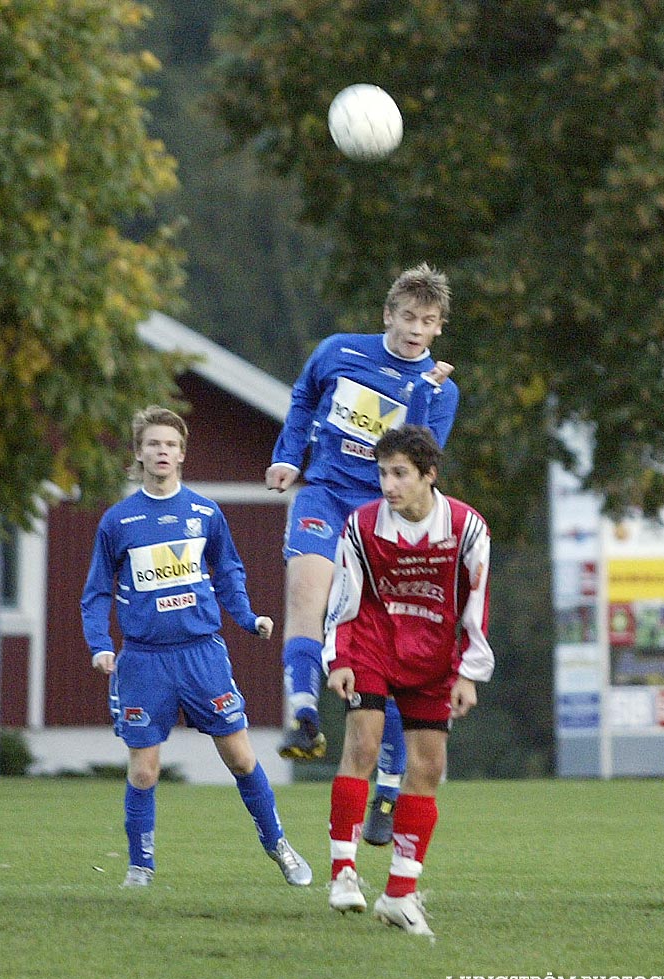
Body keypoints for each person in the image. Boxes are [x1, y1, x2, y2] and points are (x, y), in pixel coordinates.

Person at [266, 263, 459, 846]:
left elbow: (421, 464)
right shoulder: (338, 352)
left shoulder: (441, 391)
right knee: (306, 596)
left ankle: (392, 785)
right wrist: (287, 455)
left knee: (389, 653)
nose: (415, 330)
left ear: (438, 328)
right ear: (387, 316)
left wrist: (422, 398)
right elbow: (302, 402)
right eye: (407, 317)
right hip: (323, 494)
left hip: (380, 517)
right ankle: (303, 712)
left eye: (427, 321)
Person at [80, 405, 312, 889]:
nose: (161, 452)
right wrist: (100, 643)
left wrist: (248, 618)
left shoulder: (205, 513)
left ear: (182, 454)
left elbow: (228, 572)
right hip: (143, 660)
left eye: (170, 444)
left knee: (242, 759)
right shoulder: (119, 521)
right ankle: (140, 867)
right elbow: (97, 591)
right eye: (153, 444)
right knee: (144, 770)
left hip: (201, 655)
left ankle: (279, 846)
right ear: (139, 454)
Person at [323, 425, 494, 937]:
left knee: (428, 768)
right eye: (382, 474)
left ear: (429, 476)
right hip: (374, 643)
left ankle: (399, 892)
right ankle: (343, 873)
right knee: (363, 745)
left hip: (434, 657)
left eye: (400, 474)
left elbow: (477, 606)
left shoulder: (466, 528)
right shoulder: (361, 525)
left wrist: (469, 672)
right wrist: (340, 658)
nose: (389, 484)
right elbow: (344, 599)